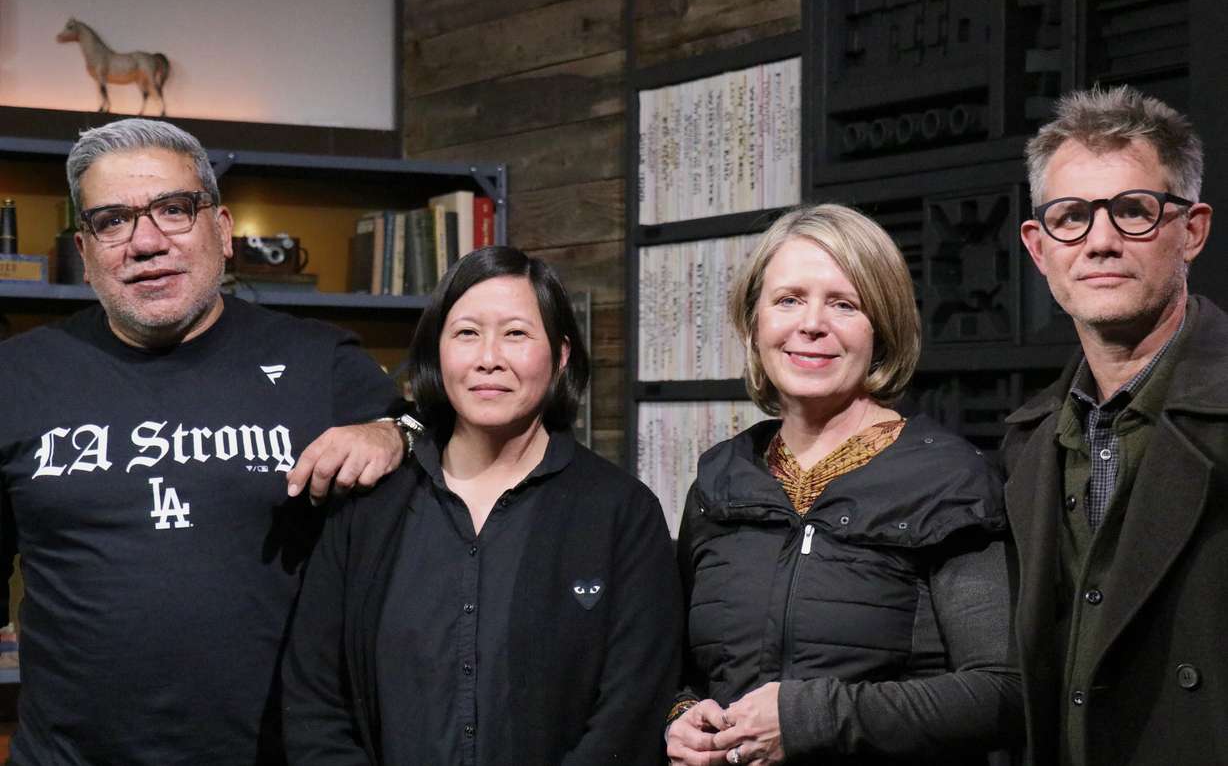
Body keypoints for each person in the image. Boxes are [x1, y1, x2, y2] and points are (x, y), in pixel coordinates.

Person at [0, 118, 412, 765]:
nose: (145, 242)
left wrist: (395, 432)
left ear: (221, 230)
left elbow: (439, 448)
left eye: (173, 209)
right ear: (84, 250)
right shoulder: (17, 377)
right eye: (112, 221)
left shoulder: (319, 362)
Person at [281, 245, 683, 765]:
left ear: (560, 356)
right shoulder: (369, 506)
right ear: (437, 352)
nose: (488, 358)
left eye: (516, 334)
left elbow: (631, 712)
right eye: (466, 333)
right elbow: (314, 699)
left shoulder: (621, 513)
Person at [665, 205, 1022, 766]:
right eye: (788, 300)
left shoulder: (951, 480)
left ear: (881, 329)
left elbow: (1002, 693)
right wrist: (679, 716)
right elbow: (677, 667)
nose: (811, 323)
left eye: (844, 303)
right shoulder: (720, 476)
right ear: (753, 320)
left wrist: (807, 721)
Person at [1006, 85, 1222, 765]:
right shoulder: (1029, 439)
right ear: (1040, 249)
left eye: (1133, 210)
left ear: (1191, 230)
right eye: (1071, 217)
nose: (1100, 241)